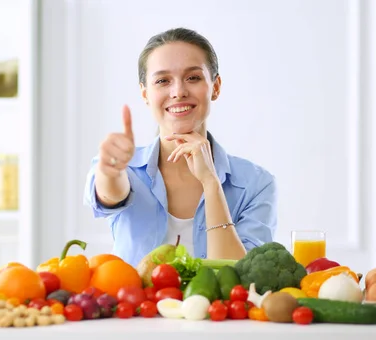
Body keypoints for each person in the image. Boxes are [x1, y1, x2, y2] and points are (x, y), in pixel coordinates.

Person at [83, 27, 277, 268]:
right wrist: (110, 172)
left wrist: (211, 184)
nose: (178, 92)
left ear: (215, 87)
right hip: (133, 306)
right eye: (163, 81)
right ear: (145, 94)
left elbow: (241, 278)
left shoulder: (256, 184)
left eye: (193, 78)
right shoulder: (123, 166)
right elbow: (111, 193)